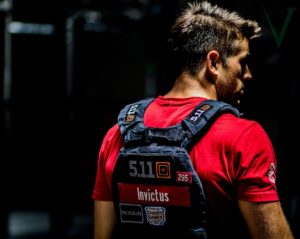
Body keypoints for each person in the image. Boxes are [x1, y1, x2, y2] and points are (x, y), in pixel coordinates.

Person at [92, 1, 294, 238]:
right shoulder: (244, 137)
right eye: (242, 61)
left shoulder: (118, 133)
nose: (248, 74)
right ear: (214, 63)